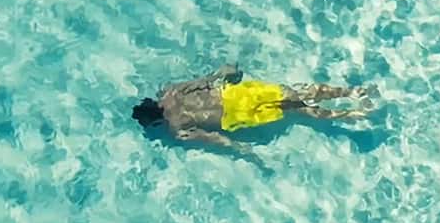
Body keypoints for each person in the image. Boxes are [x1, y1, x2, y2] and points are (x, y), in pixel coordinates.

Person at [132, 64, 378, 155]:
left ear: (156, 122)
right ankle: (352, 92)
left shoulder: (177, 130)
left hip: (236, 116)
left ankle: (353, 115)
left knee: (294, 108)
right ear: (154, 103)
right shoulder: (172, 92)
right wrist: (225, 72)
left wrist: (240, 149)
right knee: (294, 94)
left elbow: (212, 138)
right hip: (234, 94)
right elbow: (205, 80)